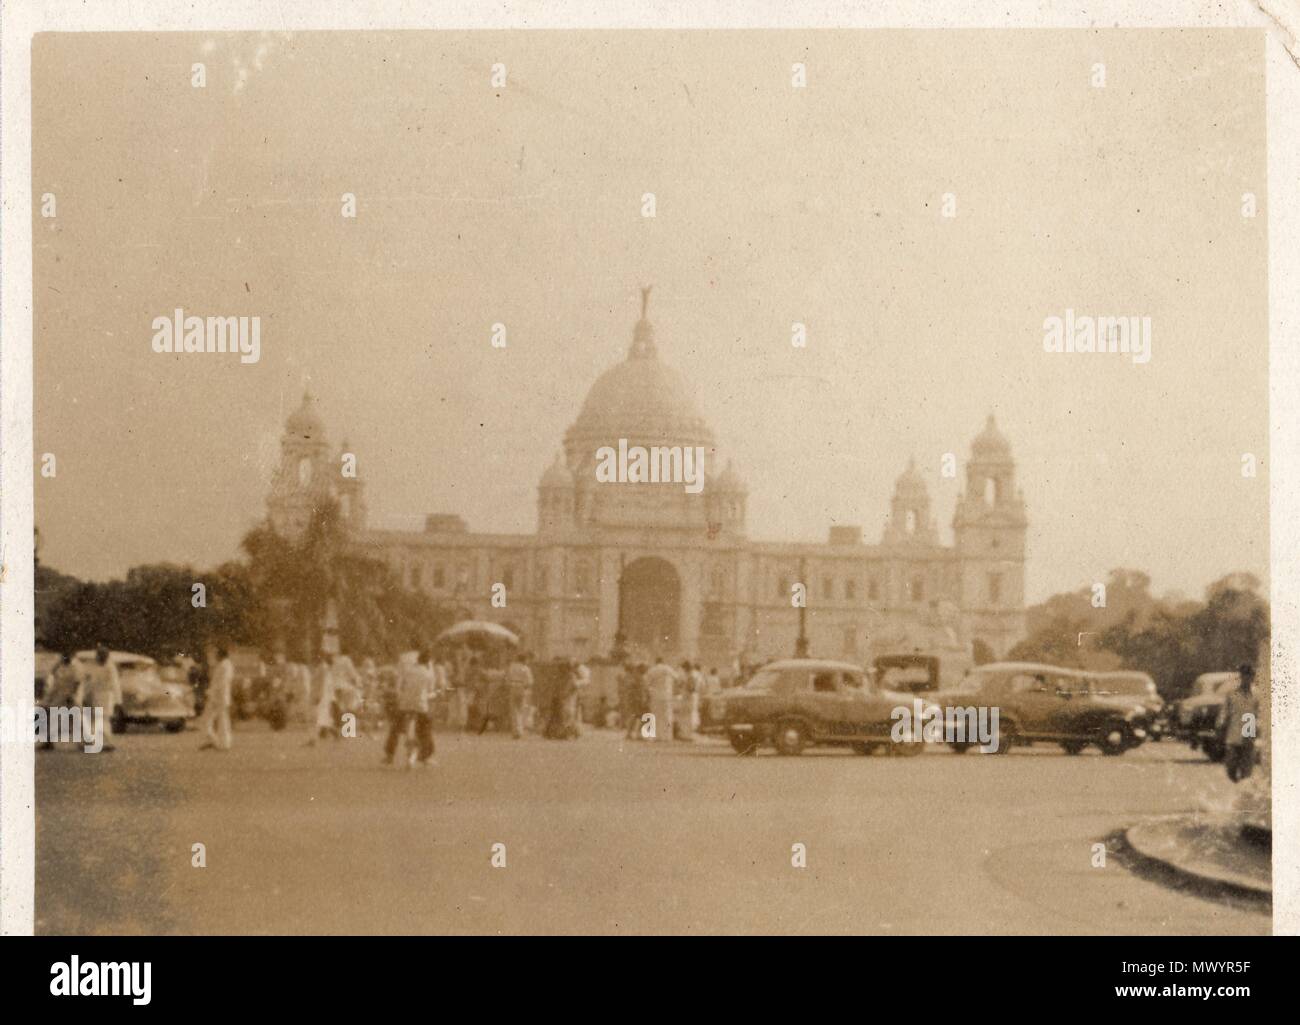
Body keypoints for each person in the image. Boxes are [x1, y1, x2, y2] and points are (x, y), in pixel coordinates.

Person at [385, 650, 435, 767]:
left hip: (405, 704)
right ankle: (426, 757)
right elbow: (430, 690)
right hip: (420, 706)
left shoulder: (408, 671)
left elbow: (400, 684)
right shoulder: (428, 674)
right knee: (426, 730)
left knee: (395, 729)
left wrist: (400, 695)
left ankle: (389, 754)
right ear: (427, 662)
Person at [77, 644, 122, 753]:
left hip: (107, 696)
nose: (101, 657)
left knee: (102, 719)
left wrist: (118, 701)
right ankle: (97, 742)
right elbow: (90, 683)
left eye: (103, 655)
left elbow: (115, 684)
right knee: (97, 719)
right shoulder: (94, 667)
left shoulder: (110, 667)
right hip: (96, 696)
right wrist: (83, 696)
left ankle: (98, 742)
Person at [1220, 664, 1260, 783]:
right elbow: (1224, 712)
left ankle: (1242, 791)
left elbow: (1259, 715)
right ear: (1241, 677)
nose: (1247, 679)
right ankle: (1237, 784)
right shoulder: (1232, 694)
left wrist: (1256, 731)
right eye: (1244, 676)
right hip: (1233, 736)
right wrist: (1221, 725)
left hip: (1249, 736)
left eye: (1249, 676)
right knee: (1230, 769)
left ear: (1252, 677)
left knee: (1246, 772)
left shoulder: (1256, 695)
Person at [197, 645, 234, 751]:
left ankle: (224, 744)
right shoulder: (221, 664)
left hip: (221, 698)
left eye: (216, 653)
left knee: (222, 721)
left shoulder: (226, 665)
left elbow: (222, 682)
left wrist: (211, 691)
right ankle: (212, 740)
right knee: (206, 719)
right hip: (215, 697)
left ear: (221, 654)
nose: (214, 655)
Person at [308, 653, 337, 745]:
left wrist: (319, 696)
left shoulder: (323, 668)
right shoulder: (323, 668)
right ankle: (336, 734)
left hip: (322, 697)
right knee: (323, 718)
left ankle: (313, 740)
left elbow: (323, 683)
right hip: (323, 696)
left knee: (318, 718)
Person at [644, 657, 676, 742]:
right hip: (667, 695)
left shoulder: (652, 670)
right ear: (663, 661)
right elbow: (677, 678)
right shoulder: (668, 669)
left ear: (656, 662)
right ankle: (668, 736)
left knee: (655, 715)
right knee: (667, 716)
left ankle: (656, 735)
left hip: (655, 695)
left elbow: (646, 683)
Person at [506, 652, 534, 739]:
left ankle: (516, 731)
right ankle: (520, 730)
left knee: (514, 710)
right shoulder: (525, 668)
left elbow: (507, 679)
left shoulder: (511, 667)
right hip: (522, 688)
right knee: (522, 709)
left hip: (513, 687)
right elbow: (530, 681)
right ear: (524, 659)